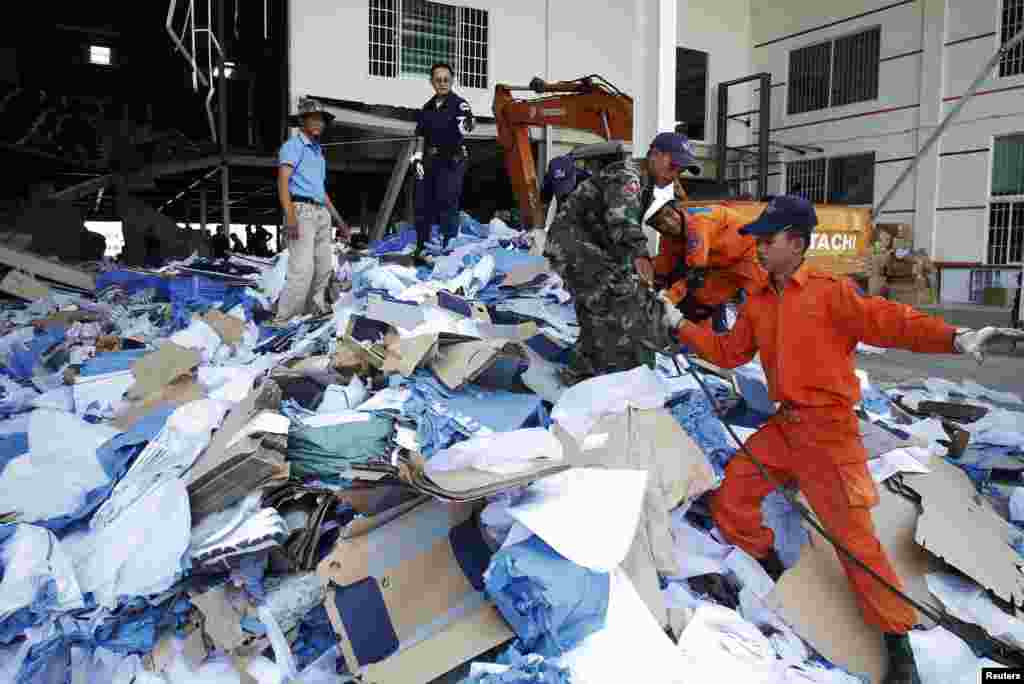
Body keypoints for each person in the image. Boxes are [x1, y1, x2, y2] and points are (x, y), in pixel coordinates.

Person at [657, 195, 1024, 684]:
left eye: (767, 241)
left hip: (830, 433)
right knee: (735, 494)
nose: (759, 250)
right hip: (785, 428)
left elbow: (892, 322)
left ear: (796, 243)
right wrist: (680, 326)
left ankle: (899, 650)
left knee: (857, 546)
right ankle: (770, 566)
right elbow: (728, 354)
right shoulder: (760, 300)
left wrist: (954, 338)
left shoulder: (830, 294)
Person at [544, 132, 699, 384]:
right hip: (575, 247)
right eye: (672, 166)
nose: (674, 174)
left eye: (679, 170)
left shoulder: (646, 180)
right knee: (620, 302)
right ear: (655, 155)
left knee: (600, 309)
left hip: (591, 248)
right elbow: (621, 221)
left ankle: (585, 374)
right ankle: (624, 375)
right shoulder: (628, 177)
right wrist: (640, 256)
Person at [276, 98, 350, 324]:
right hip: (301, 211)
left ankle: (312, 313)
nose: (318, 123)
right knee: (302, 269)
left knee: (323, 268)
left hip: (321, 213)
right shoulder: (292, 147)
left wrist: (340, 221)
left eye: (321, 120)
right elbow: (283, 181)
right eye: (312, 119)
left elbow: (321, 191)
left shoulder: (318, 153)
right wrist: (290, 217)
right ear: (302, 122)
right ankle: (284, 320)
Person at [647, 197, 767, 329]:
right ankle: (715, 335)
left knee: (760, 303)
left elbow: (695, 271)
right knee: (704, 299)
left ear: (678, 209)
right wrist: (656, 286)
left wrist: (670, 297)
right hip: (719, 264)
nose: (669, 223)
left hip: (749, 254)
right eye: (660, 223)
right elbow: (664, 263)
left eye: (669, 214)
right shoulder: (669, 236)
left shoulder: (699, 222)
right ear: (657, 228)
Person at [410, 63, 475, 261]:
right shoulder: (426, 108)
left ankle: (449, 250)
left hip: (452, 160)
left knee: (447, 203)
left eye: (446, 79)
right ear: (432, 82)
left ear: (452, 80)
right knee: (421, 203)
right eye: (438, 80)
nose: (442, 83)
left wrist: (466, 124)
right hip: (430, 161)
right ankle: (421, 249)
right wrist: (417, 158)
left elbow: (468, 124)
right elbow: (420, 137)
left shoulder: (459, 104)